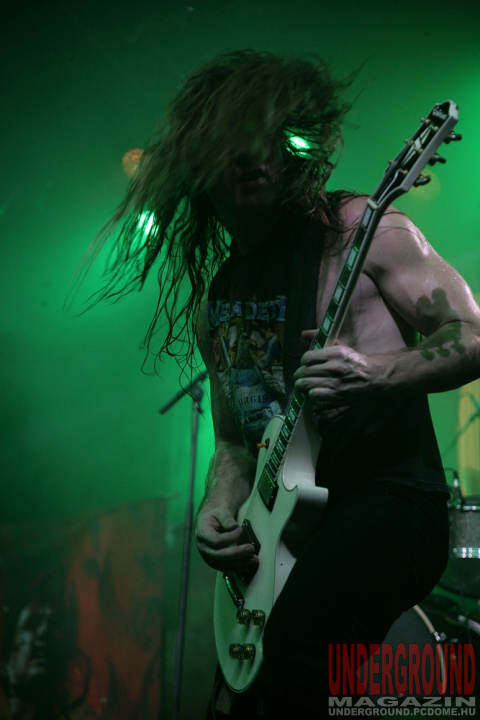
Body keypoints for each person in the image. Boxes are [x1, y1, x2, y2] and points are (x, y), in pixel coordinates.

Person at [81, 50, 480, 717]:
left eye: (266, 137)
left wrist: (377, 374)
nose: (254, 157)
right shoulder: (220, 301)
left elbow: (472, 334)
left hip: (390, 503)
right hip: (290, 536)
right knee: (254, 700)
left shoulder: (362, 231)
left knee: (298, 655)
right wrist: (216, 510)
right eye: (231, 144)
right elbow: (235, 444)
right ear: (196, 167)